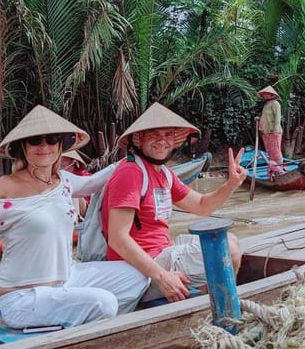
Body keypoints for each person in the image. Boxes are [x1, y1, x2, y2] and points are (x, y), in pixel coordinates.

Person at [0, 105, 148, 330]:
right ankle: (75, 330)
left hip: (68, 278)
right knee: (105, 302)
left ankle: (77, 322)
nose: (44, 147)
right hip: (24, 297)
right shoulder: (5, 188)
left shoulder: (64, 181)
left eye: (52, 139)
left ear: (61, 146)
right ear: (23, 146)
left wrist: (134, 156)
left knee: (138, 275)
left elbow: (92, 183)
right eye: (36, 140)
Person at [101, 102, 247, 303]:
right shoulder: (131, 172)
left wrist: (231, 184)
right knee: (228, 249)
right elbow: (117, 238)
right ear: (139, 139)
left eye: (168, 135)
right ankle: (217, 307)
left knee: (229, 240)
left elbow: (202, 205)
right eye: (154, 135)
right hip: (140, 267)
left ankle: (206, 303)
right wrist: (162, 276)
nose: (162, 141)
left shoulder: (165, 174)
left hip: (163, 251)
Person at [257, 85, 285, 178]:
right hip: (266, 131)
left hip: (273, 131)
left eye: (265, 94)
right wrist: (258, 119)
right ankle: (274, 169)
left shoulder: (275, 104)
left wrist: (275, 130)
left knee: (275, 151)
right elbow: (266, 117)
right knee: (270, 152)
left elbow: (277, 117)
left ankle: (279, 170)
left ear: (271, 95)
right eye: (263, 94)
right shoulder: (267, 104)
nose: (264, 96)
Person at [60, 150, 92, 218]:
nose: (60, 163)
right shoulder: (55, 178)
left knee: (70, 186)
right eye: (58, 160)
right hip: (63, 210)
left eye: (64, 160)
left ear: (73, 161)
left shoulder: (85, 176)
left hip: (86, 210)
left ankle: (77, 217)